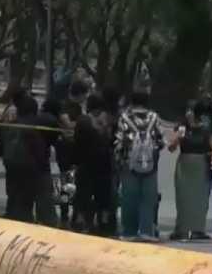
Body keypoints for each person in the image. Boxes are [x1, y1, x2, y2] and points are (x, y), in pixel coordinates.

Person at [0, 94, 58, 226]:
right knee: (44, 208)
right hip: (36, 172)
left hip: (13, 170)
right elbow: (43, 148)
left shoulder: (8, 126)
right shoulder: (39, 126)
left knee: (17, 207)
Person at [114, 91, 165, 241]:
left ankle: (129, 231)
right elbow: (161, 141)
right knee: (148, 198)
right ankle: (146, 231)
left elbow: (119, 141)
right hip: (150, 164)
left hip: (129, 163)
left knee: (129, 197)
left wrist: (119, 160)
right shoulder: (154, 118)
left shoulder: (125, 118)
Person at [169, 101, 212, 241]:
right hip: (184, 166)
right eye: (187, 110)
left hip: (201, 166)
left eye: (191, 110)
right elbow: (171, 148)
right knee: (183, 199)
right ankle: (181, 229)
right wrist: (178, 138)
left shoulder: (206, 129)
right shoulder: (181, 127)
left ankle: (198, 230)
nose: (188, 113)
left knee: (200, 199)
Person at [73, 94, 115, 235]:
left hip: (85, 164)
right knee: (103, 198)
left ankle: (81, 222)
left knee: (82, 195)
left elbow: (77, 142)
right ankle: (103, 223)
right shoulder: (107, 121)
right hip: (104, 165)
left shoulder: (83, 121)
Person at [54, 79, 88, 227]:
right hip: (67, 149)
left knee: (70, 183)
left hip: (72, 148)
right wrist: (81, 123)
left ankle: (72, 213)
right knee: (67, 183)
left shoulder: (77, 108)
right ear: (80, 94)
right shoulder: (65, 107)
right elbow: (66, 124)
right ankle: (65, 212)